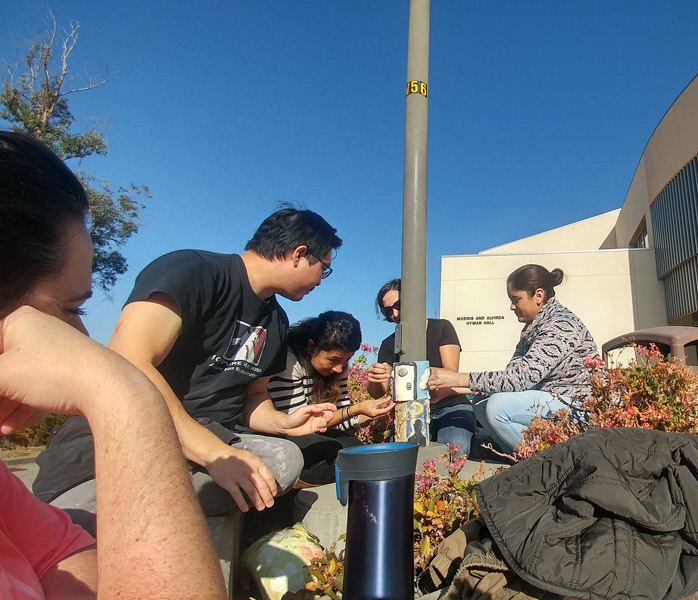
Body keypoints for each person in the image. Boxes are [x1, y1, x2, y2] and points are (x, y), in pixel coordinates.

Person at [0, 130, 226, 598]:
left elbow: (56, 552)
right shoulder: (196, 274)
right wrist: (123, 393)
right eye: (71, 308)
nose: (82, 338)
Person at [34, 204, 342, 530]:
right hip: (126, 440)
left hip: (207, 445)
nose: (321, 281)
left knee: (286, 459)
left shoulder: (276, 321)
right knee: (84, 517)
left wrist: (284, 423)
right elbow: (130, 360)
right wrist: (213, 455)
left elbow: (253, 397)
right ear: (299, 254)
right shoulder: (193, 270)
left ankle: (142, 516)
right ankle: (99, 516)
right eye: (324, 269)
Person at [427, 265, 599, 455]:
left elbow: (522, 378)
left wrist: (458, 378)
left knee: (498, 407)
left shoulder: (560, 324)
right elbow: (510, 378)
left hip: (579, 407)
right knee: (481, 401)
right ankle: (521, 457)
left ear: (538, 296)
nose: (512, 307)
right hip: (554, 400)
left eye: (516, 299)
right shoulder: (532, 329)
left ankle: (548, 464)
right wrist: (452, 388)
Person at [268, 310, 395, 485]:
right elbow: (298, 423)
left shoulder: (339, 366)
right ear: (312, 347)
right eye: (333, 360)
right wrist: (356, 409)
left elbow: (341, 416)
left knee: (364, 455)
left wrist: (368, 415)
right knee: (332, 457)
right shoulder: (288, 362)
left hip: (317, 431)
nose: (339, 368)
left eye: (346, 360)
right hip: (281, 432)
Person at [366, 279, 476, 456]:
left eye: (399, 305)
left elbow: (450, 373)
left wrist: (399, 371)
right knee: (404, 459)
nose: (395, 313)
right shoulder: (388, 344)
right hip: (411, 411)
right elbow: (378, 391)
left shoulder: (441, 327)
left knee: (455, 455)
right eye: (388, 311)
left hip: (452, 406)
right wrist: (375, 378)